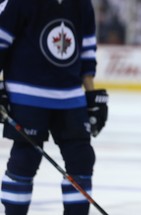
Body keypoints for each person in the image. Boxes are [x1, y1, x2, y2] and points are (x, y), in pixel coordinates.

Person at [0, 0, 108, 215]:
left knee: (82, 159)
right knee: (26, 157)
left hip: (70, 95)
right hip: (26, 94)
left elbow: (87, 50)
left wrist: (90, 94)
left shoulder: (82, 4)